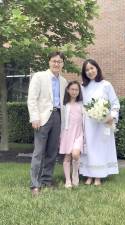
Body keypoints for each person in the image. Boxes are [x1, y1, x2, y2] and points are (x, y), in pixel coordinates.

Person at [27, 51, 67, 196]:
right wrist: (34, 117)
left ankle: (46, 180)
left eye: (59, 61)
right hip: (42, 118)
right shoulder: (39, 76)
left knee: (51, 152)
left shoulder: (63, 81)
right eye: (54, 61)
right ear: (49, 62)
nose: (57, 63)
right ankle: (35, 184)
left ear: (62, 64)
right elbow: (32, 99)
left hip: (57, 117)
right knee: (39, 152)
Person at [79, 59, 120, 186]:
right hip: (89, 123)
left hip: (103, 123)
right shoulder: (83, 86)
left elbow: (115, 103)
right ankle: (89, 175)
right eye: (87, 70)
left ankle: (98, 176)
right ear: (84, 73)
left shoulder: (106, 85)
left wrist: (111, 116)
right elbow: (81, 105)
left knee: (101, 148)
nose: (90, 71)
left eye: (92, 68)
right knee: (89, 148)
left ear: (97, 68)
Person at [59, 81, 83, 188]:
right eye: (72, 89)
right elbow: (62, 122)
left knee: (76, 154)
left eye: (76, 90)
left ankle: (75, 174)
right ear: (68, 90)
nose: (74, 91)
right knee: (67, 157)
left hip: (78, 134)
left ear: (79, 91)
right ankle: (68, 180)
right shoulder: (64, 105)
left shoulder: (81, 105)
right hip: (67, 134)